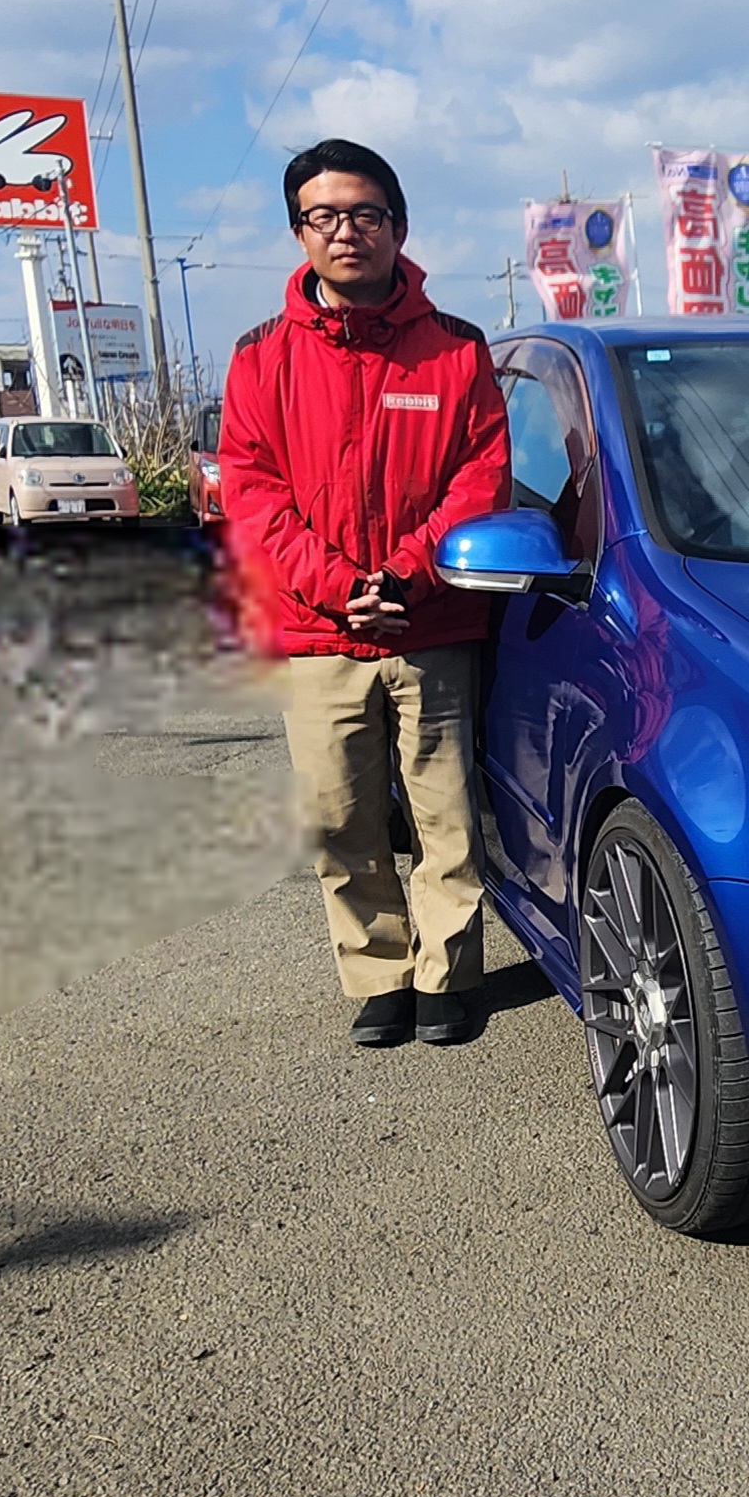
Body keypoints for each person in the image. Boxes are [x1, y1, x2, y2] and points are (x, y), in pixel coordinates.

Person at [218, 139, 511, 1048]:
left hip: (432, 622)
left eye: (366, 214)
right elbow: (253, 497)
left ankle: (446, 975)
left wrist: (406, 576)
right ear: (300, 233)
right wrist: (344, 586)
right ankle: (380, 974)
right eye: (325, 216)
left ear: (399, 227)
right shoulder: (259, 358)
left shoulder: (456, 349)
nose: (347, 231)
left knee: (447, 819)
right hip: (318, 630)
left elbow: (481, 477)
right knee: (340, 821)